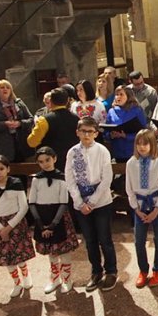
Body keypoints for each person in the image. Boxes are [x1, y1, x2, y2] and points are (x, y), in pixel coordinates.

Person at [65, 117, 118, 292]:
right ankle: (96, 271)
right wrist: (79, 202)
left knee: (105, 239)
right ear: (77, 132)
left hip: (101, 201)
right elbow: (70, 179)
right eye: (83, 131)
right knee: (90, 240)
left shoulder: (102, 151)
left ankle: (111, 271)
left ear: (96, 133)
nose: (86, 134)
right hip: (81, 203)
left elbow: (106, 178)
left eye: (90, 131)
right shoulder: (72, 152)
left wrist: (93, 201)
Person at [0, 155, 36, 299]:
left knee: (20, 256)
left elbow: (23, 207)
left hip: (16, 224)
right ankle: (16, 283)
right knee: (7, 258)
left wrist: (9, 227)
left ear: (8, 169)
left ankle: (26, 276)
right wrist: (0, 229)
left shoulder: (16, 183)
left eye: (1, 168)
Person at [28, 146, 79, 294]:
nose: (45, 164)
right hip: (42, 217)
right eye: (41, 161)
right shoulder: (36, 179)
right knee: (51, 251)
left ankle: (67, 279)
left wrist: (53, 225)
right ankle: (54, 278)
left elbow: (64, 202)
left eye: (48, 160)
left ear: (55, 158)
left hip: (59, 217)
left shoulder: (62, 178)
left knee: (63, 250)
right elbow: (32, 202)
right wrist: (41, 225)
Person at [125, 129, 158, 289]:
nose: (142, 147)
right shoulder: (131, 163)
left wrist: (157, 209)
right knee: (139, 241)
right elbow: (129, 188)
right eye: (139, 143)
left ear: (153, 145)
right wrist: (136, 209)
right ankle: (143, 271)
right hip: (139, 206)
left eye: (146, 143)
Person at [0, 79, 34, 162]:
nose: (5, 89)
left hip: (20, 143)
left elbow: (31, 119)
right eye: (2, 87)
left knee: (22, 171)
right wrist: (4, 124)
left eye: (8, 87)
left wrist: (20, 123)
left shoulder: (19, 103)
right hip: (1, 146)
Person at [27, 87, 79, 169]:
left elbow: (32, 142)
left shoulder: (44, 120)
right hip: (72, 162)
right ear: (67, 101)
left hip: (51, 164)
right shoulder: (77, 119)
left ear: (50, 101)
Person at [104, 86, 147, 163]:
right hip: (117, 152)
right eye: (116, 94)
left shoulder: (137, 110)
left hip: (134, 151)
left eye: (121, 94)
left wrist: (126, 136)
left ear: (128, 96)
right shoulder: (111, 111)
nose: (118, 97)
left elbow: (144, 132)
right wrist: (111, 135)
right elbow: (106, 132)